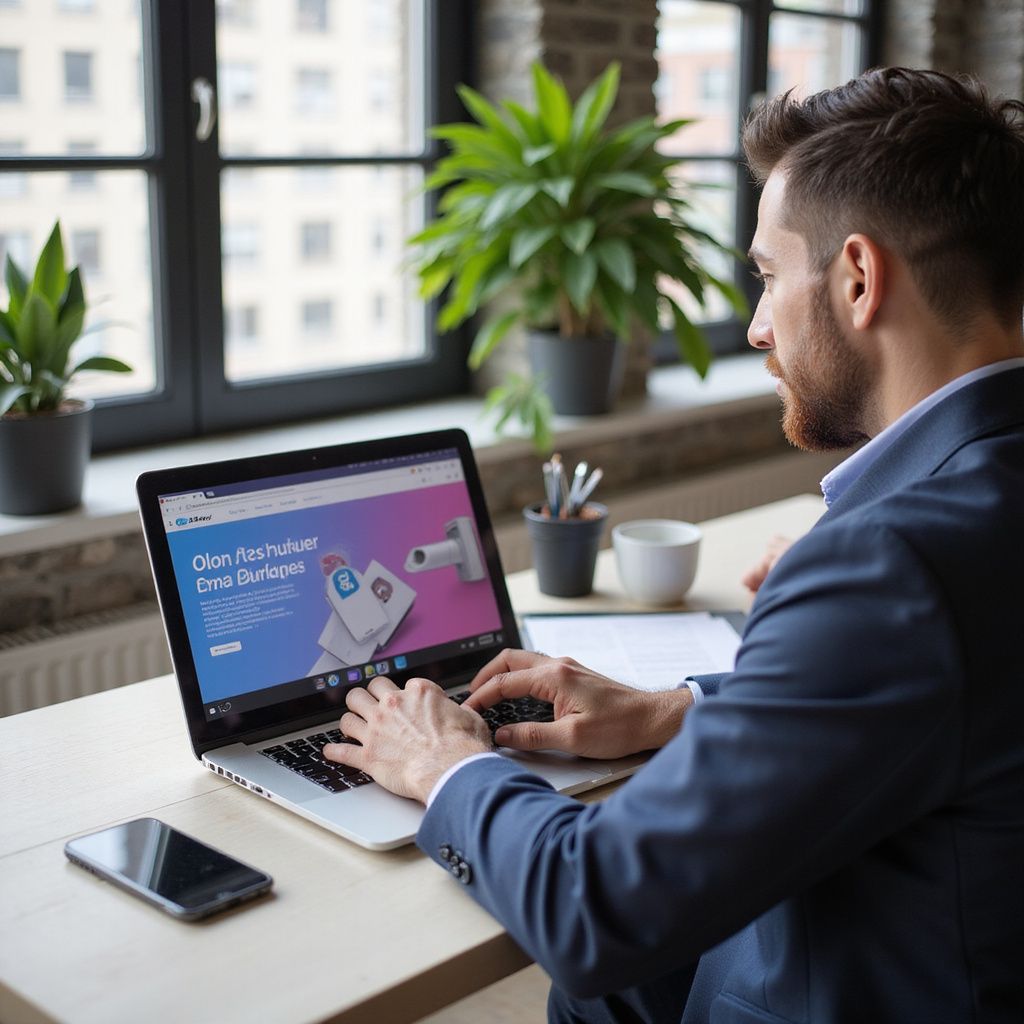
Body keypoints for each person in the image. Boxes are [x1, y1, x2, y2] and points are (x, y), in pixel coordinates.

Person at [324, 68, 1024, 1023]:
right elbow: (937, 703)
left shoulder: (886, 563)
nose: (756, 325)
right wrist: (675, 710)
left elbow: (595, 907)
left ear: (859, 279)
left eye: (770, 276)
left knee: (588, 981)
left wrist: (444, 765)